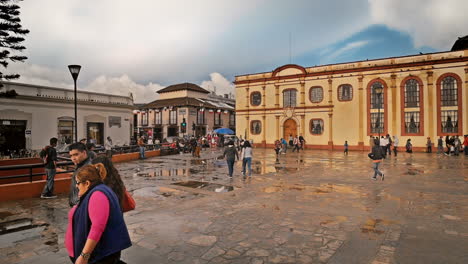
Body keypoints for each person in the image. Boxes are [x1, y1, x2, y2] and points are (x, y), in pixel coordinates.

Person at [65, 163, 131, 264]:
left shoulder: (98, 195)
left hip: (98, 256)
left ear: (87, 183)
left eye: (78, 183)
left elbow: (97, 227)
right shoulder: (97, 191)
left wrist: (84, 256)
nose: (76, 186)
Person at [69, 143, 92, 207]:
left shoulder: (88, 168)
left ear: (84, 153)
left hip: (81, 206)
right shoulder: (79, 166)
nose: (73, 158)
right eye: (71, 156)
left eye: (76, 155)